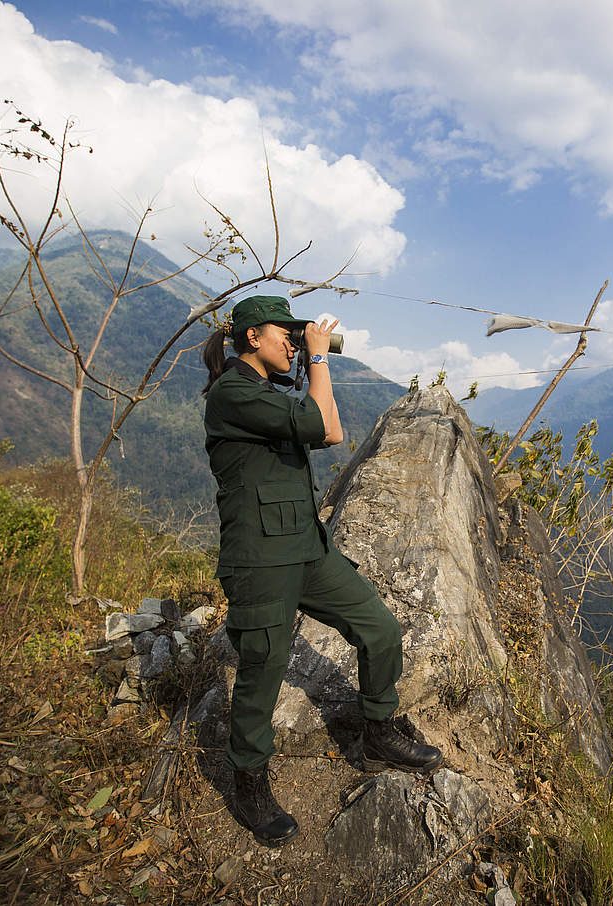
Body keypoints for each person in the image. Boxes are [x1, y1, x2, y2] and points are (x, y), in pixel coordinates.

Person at [201, 295, 442, 846]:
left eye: (297, 335)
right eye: (283, 334)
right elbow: (328, 429)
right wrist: (319, 359)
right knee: (264, 667)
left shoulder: (264, 390)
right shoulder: (233, 392)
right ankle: (249, 781)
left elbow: (324, 425)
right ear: (252, 337)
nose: (292, 341)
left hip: (308, 548)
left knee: (379, 628)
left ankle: (379, 730)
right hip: (261, 557)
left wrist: (309, 360)